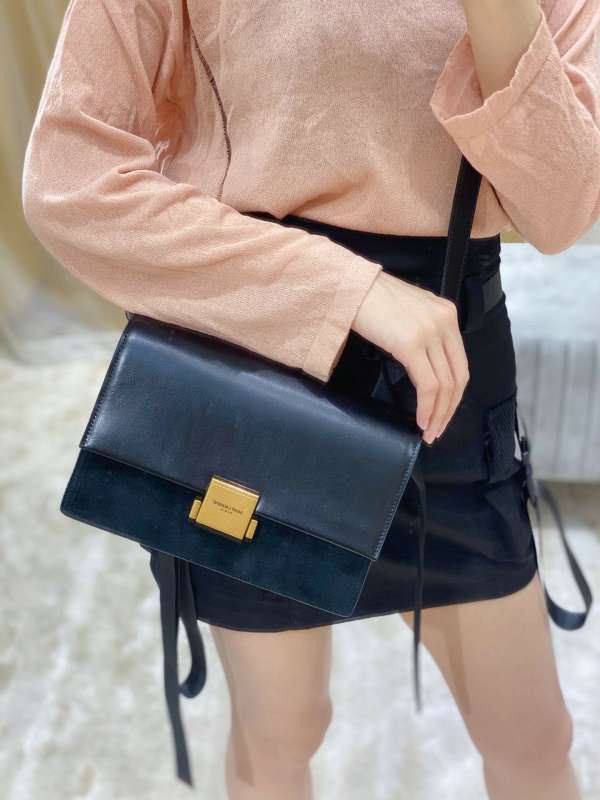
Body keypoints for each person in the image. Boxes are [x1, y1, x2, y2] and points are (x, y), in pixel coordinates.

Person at [21, 0, 600, 797]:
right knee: (282, 732)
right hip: (251, 364)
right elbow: (70, 183)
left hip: (447, 378)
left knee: (531, 735)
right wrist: (345, 290)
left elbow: (562, 211)